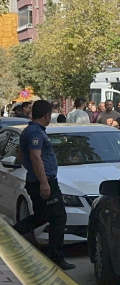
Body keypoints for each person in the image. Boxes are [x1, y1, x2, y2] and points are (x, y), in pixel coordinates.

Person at [14, 100, 75, 270]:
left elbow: (20, 153)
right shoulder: (35, 132)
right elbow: (35, 157)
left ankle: (11, 233)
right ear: (47, 115)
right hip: (44, 181)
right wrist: (43, 182)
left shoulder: (30, 130)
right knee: (58, 217)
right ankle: (56, 257)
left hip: (39, 180)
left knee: (42, 216)